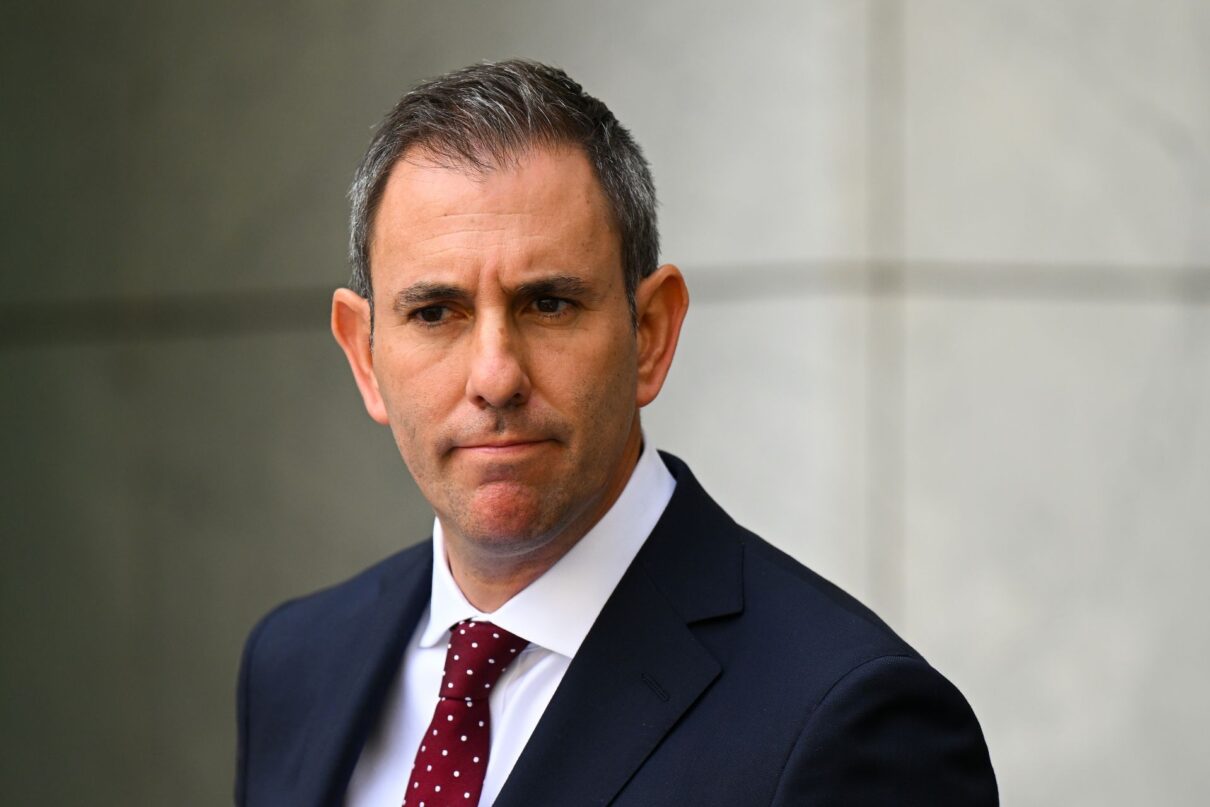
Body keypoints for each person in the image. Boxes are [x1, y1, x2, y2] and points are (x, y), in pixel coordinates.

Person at [235, 59, 997, 806]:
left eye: (549, 304)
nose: (496, 377)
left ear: (653, 334)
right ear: (364, 356)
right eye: (435, 313)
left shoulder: (850, 721)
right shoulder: (297, 663)